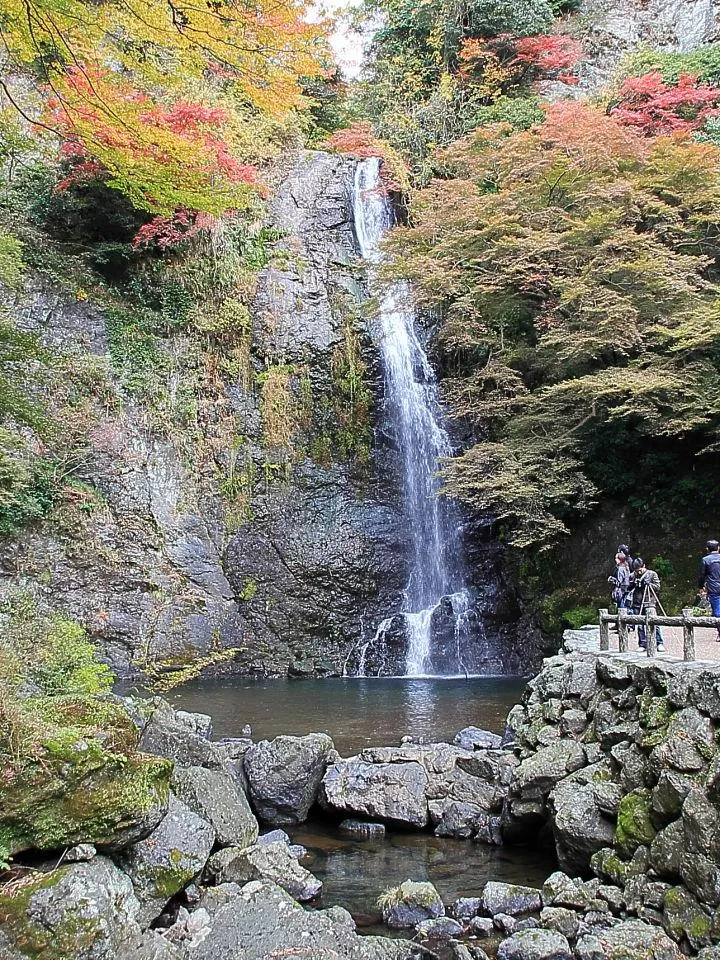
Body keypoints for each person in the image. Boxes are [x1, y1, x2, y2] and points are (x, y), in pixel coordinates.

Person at [630, 558, 665, 652]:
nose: (639, 572)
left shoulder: (652, 574)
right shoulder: (633, 575)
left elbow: (657, 587)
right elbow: (628, 588)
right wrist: (634, 583)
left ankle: (659, 643)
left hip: (649, 601)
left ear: (644, 566)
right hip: (637, 602)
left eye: (640, 570)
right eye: (637, 570)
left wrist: (649, 584)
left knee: (655, 623)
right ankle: (642, 643)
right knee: (640, 624)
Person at [698, 539, 720, 642]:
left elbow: (701, 576)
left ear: (707, 549)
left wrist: (701, 587)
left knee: (717, 612)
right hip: (714, 588)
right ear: (718, 548)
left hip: (713, 589)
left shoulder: (705, 560)